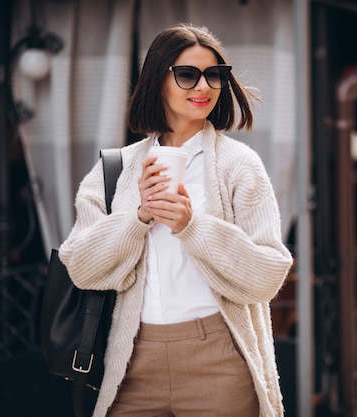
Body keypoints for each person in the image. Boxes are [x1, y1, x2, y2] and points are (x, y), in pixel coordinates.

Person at [58, 23, 293, 417]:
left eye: (214, 75)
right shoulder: (114, 170)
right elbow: (81, 268)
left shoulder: (240, 166)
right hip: (131, 360)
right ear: (158, 79)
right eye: (187, 74)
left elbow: (268, 276)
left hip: (219, 357)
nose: (203, 87)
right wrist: (137, 217)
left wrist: (192, 226)